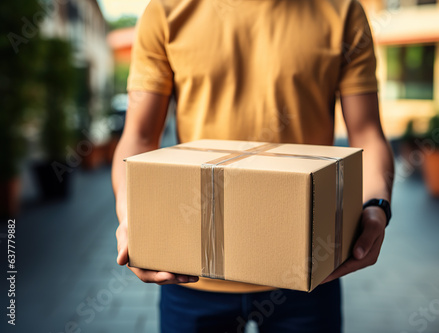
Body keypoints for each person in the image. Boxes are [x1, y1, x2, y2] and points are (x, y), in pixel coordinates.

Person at [112, 0, 394, 332]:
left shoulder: (343, 11)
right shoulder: (166, 11)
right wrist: (133, 221)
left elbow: (367, 132)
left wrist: (377, 206)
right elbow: (140, 135)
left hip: (308, 272)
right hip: (192, 273)